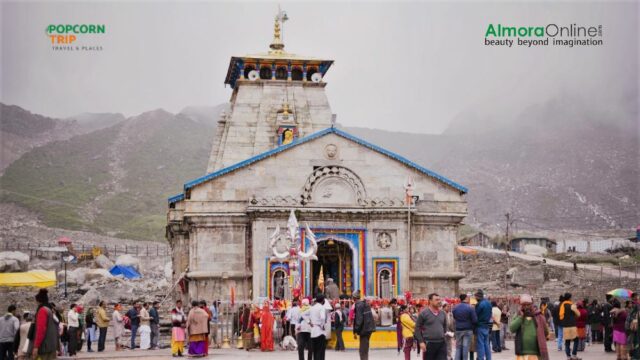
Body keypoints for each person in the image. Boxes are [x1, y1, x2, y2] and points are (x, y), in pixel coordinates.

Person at [508, 294, 549, 360]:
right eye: (524, 305)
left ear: (532, 304)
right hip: (522, 354)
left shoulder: (539, 316)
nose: (526, 307)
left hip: (536, 354)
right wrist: (521, 317)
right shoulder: (518, 315)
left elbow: (546, 332)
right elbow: (512, 329)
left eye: (528, 304)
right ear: (521, 306)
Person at [414, 293, 448, 360]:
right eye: (436, 300)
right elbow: (417, 328)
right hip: (429, 344)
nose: (439, 301)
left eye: (439, 299)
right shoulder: (423, 313)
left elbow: (445, 327)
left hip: (442, 343)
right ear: (430, 301)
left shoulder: (443, 313)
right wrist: (421, 342)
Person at [28, 289, 59, 360]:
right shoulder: (50, 310)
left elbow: (41, 329)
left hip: (44, 348)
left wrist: (36, 346)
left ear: (38, 301)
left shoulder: (42, 311)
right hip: (51, 346)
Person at [453, 294, 477, 360]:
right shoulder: (470, 308)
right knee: (465, 348)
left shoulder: (455, 307)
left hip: (458, 329)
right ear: (466, 298)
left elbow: (454, 317)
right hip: (467, 329)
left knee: (458, 348)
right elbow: (475, 320)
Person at [353, 290, 376, 360]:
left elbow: (359, 320)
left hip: (364, 330)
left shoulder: (359, 305)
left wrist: (355, 331)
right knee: (365, 349)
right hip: (369, 329)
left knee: (362, 350)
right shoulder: (365, 304)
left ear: (354, 298)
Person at [558, 292, 581, 360]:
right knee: (576, 340)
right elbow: (578, 314)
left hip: (565, 326)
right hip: (572, 325)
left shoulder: (562, 305)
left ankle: (568, 356)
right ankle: (574, 355)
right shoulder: (572, 305)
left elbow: (561, 316)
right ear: (570, 298)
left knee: (567, 342)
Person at [474, 289, 493, 360]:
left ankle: (481, 358)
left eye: (475, 296)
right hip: (487, 326)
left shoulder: (479, 304)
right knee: (486, 344)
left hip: (480, 326)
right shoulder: (489, 303)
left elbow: (476, 315)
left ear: (478, 296)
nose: (475, 298)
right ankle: (488, 358)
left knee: (480, 344)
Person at [310, 294, 328, 360]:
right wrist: (322, 325)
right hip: (320, 332)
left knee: (315, 351)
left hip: (313, 331)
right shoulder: (321, 307)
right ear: (323, 300)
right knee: (320, 351)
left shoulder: (312, 307)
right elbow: (323, 318)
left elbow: (309, 318)